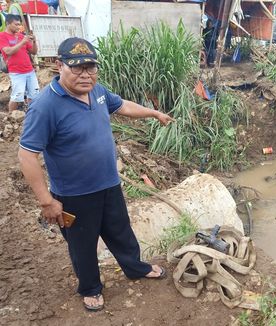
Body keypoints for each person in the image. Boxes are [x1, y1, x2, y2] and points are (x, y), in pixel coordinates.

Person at [18, 37, 174, 312]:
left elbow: (122, 105)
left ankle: (135, 268)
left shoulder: (97, 91)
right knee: (82, 244)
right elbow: (27, 155)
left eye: (91, 68)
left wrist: (153, 113)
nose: (85, 75)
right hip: (74, 194)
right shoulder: (45, 106)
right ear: (59, 65)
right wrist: (46, 201)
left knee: (120, 231)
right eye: (77, 68)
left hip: (109, 184)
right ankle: (90, 288)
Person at [0, 14, 38, 112]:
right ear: (8, 23)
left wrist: (34, 41)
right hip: (16, 72)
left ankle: (32, 115)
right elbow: (7, 51)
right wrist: (22, 42)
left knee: (34, 95)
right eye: (16, 24)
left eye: (19, 24)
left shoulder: (21, 36)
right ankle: (11, 118)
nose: (18, 27)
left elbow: (34, 52)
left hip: (30, 70)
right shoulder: (2, 36)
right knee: (17, 97)